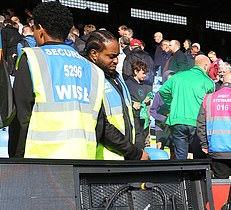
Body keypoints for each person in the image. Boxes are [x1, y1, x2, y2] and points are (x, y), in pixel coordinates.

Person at [8, 2, 146, 160]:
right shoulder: (93, 70)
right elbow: (100, 123)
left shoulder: (33, 59)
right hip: (83, 162)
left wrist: (16, 161)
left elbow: (21, 119)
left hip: (42, 163)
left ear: (40, 30)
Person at [84, 29, 141, 160]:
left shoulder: (116, 77)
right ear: (94, 54)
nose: (116, 61)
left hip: (124, 157)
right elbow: (103, 126)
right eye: (111, 56)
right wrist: (133, 152)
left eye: (117, 56)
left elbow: (129, 115)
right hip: (105, 161)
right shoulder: (89, 79)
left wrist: (137, 146)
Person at [159, 55, 215, 159]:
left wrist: (172, 104)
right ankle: (197, 175)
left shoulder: (177, 76)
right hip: (197, 122)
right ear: (206, 66)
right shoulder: (208, 82)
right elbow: (210, 103)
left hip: (177, 120)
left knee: (180, 156)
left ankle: (181, 174)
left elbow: (163, 91)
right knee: (199, 156)